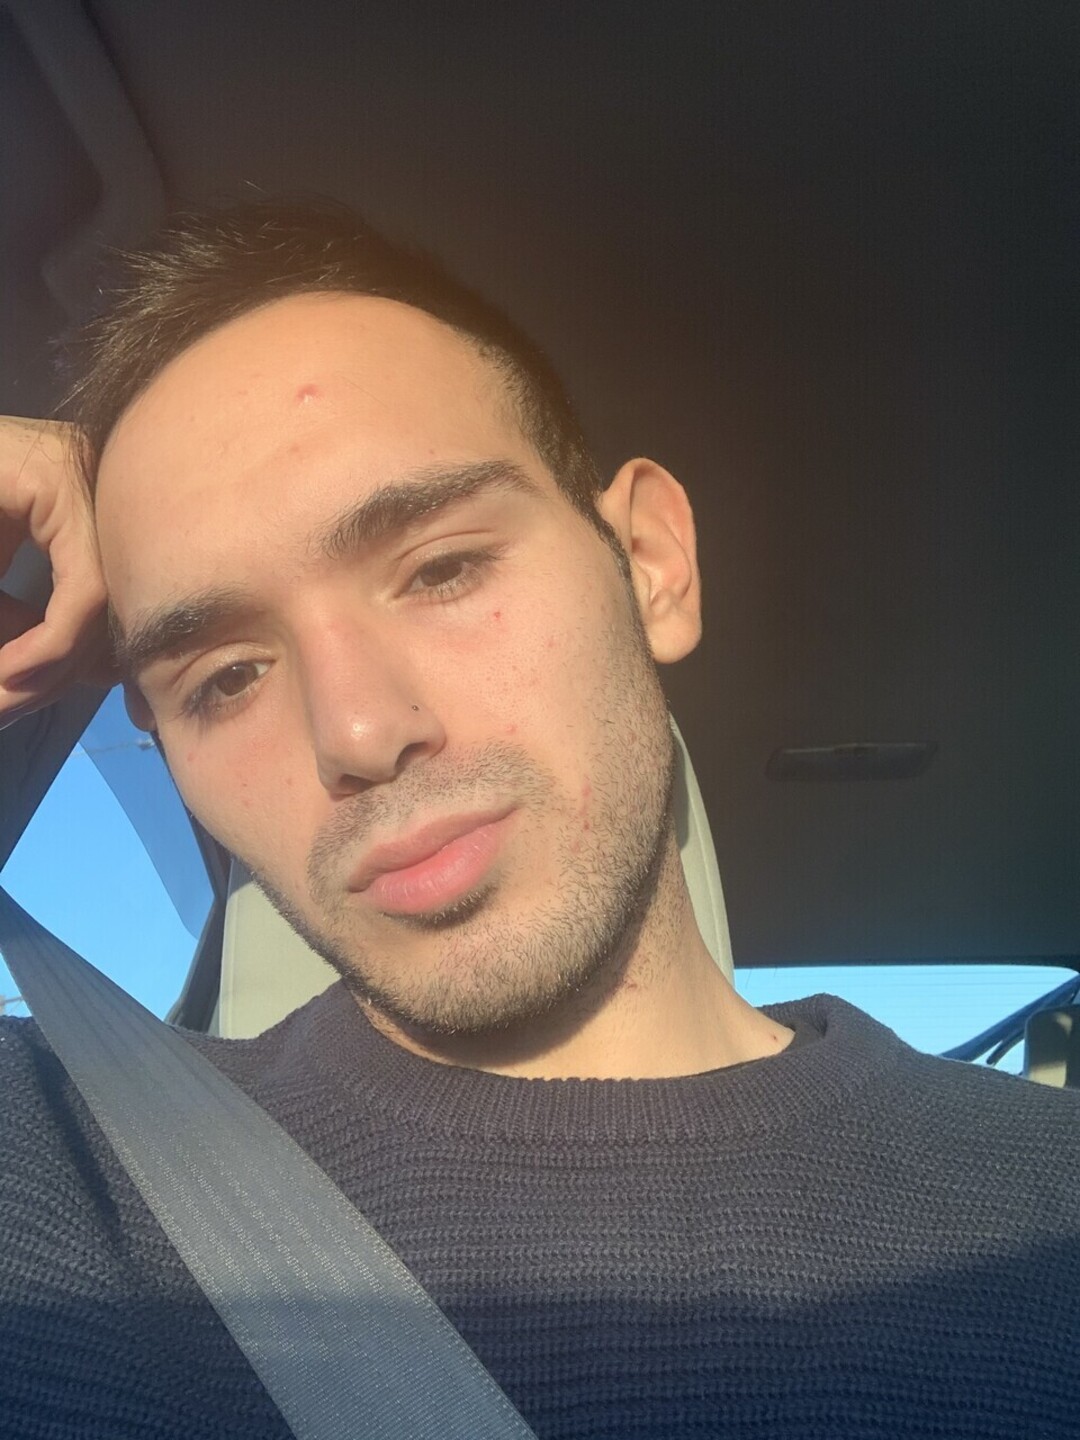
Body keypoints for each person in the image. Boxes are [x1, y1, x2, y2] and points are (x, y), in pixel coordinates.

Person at [0, 203, 1077, 1439]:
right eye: (226, 676)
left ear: (650, 563)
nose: (358, 732)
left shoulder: (1052, 1205)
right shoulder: (58, 1173)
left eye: (443, 568)